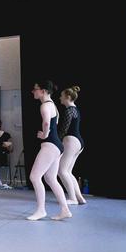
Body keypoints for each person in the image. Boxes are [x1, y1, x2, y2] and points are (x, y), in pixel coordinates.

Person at [26, 79, 71, 221]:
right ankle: (65, 210)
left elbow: (46, 123)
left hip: (50, 145)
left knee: (34, 177)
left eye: (35, 89)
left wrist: (44, 134)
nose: (33, 91)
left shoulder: (45, 106)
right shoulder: (53, 105)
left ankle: (41, 210)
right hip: (56, 145)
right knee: (50, 178)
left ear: (43, 91)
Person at [58, 86, 86, 205]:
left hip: (71, 140)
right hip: (78, 142)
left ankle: (73, 198)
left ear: (68, 97)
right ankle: (80, 198)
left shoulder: (69, 110)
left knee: (62, 171)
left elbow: (64, 129)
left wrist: (56, 141)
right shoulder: (75, 109)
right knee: (68, 171)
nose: (60, 98)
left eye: (61, 96)